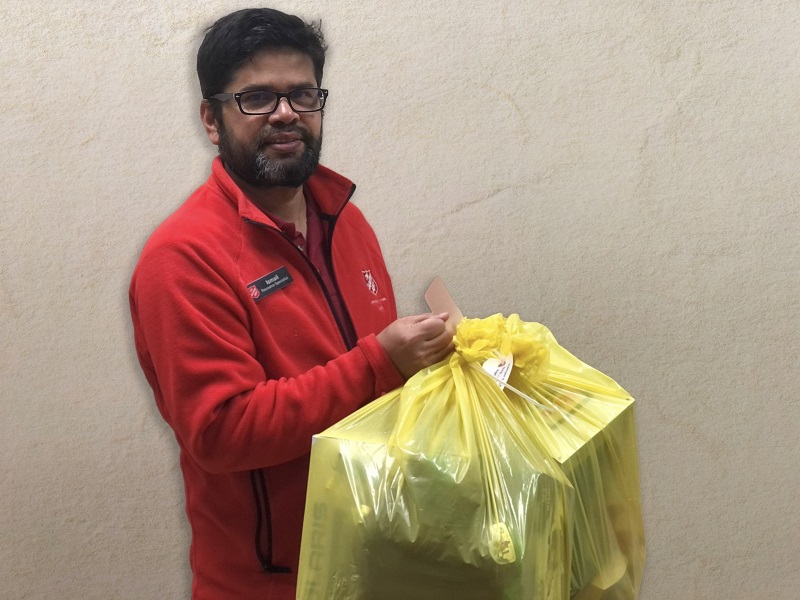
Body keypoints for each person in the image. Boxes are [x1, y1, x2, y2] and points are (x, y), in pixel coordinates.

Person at [129, 8, 453, 599]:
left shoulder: (347, 220)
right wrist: (381, 361)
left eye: (303, 95)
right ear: (211, 118)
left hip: (382, 561)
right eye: (256, 97)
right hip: (273, 585)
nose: (285, 113)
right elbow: (222, 431)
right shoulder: (183, 256)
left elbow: (375, 392)